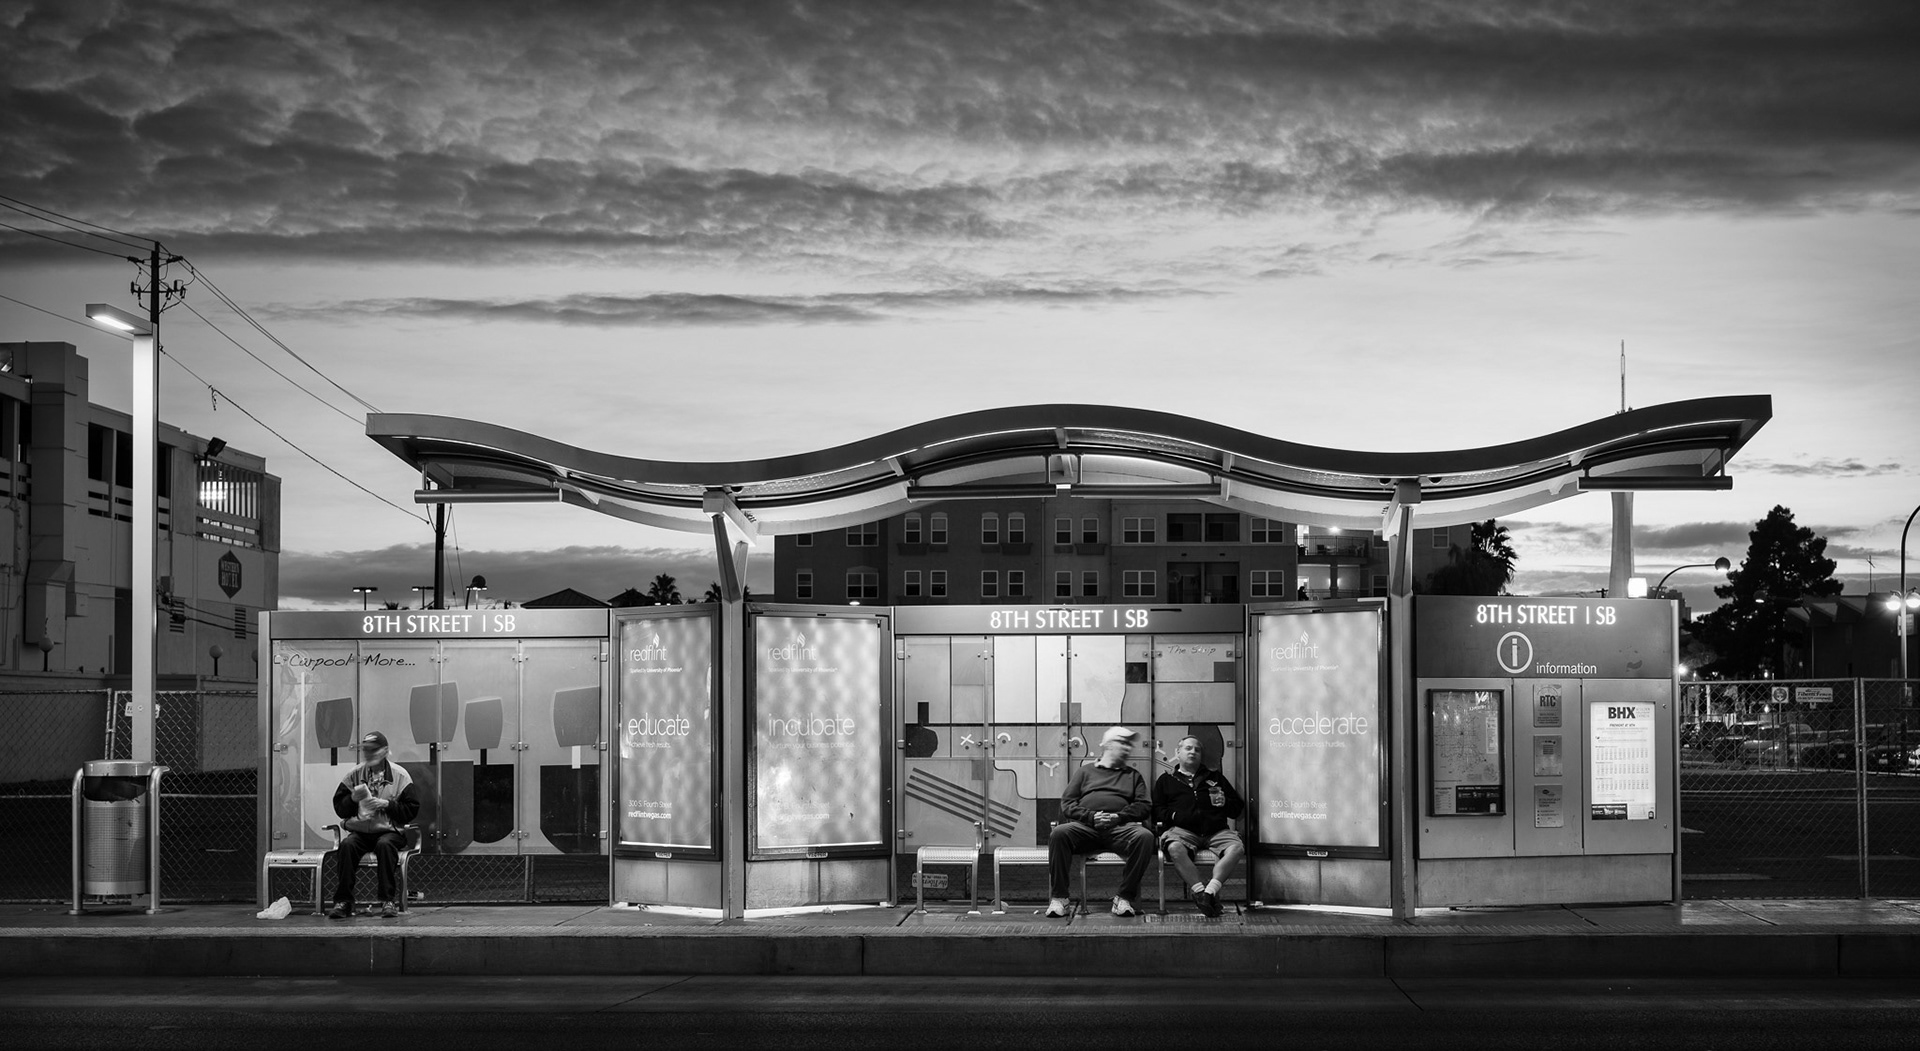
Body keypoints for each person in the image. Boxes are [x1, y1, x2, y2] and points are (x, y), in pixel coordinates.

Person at [1046, 725, 1155, 917]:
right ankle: (1060, 898)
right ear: (1108, 745)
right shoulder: (1085, 772)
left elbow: (1144, 806)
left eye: (1129, 744)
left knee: (1145, 837)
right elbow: (1067, 804)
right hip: (1086, 828)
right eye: (1123, 743)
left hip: (1120, 829)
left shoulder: (1133, 776)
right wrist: (1091, 817)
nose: (1128, 748)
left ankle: (1124, 897)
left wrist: (1118, 817)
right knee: (1059, 834)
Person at [326, 730, 420, 919]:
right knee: (347, 845)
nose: (368, 754)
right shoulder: (354, 774)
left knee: (385, 845)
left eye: (373, 750)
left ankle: (387, 901)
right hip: (361, 831)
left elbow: (411, 810)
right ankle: (343, 902)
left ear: (384, 751)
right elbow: (340, 808)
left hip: (389, 831)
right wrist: (352, 799)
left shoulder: (400, 775)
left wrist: (388, 805)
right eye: (366, 750)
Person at [1153, 735, 1245, 917]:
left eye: (1197, 749)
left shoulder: (1215, 777)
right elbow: (1156, 810)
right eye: (1188, 748)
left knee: (1237, 848)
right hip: (1183, 831)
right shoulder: (1166, 780)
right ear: (1178, 752)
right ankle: (1200, 892)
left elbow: (1237, 809)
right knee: (1174, 848)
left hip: (1216, 831)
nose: (1193, 752)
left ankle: (1208, 893)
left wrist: (1225, 802)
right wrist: (1175, 816)